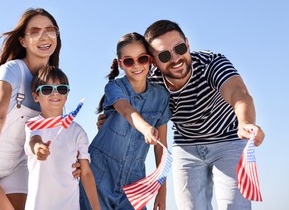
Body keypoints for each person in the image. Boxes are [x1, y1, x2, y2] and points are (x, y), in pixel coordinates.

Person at [0, 8, 80, 210]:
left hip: (17, 166)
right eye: (35, 31)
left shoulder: (54, 84)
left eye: (50, 30)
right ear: (23, 41)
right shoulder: (12, 70)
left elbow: (54, 135)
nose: (44, 36)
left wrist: (74, 162)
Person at [143, 19, 266, 209]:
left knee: (235, 206)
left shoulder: (211, 63)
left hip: (228, 139)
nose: (176, 59)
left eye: (180, 48)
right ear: (153, 61)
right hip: (186, 146)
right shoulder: (152, 82)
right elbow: (128, 103)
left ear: (188, 44)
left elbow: (238, 93)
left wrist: (245, 122)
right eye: (165, 56)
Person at [80, 32, 172, 210]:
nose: (136, 65)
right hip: (100, 173)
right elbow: (126, 110)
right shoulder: (114, 87)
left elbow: (162, 147)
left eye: (142, 59)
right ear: (121, 64)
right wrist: (146, 128)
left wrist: (162, 190)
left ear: (150, 60)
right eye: (129, 61)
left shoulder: (161, 96)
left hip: (135, 180)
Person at [24, 66, 100, 210]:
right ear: (35, 96)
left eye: (61, 89)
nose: (55, 93)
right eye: (47, 89)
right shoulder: (33, 124)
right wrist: (38, 148)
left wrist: (97, 208)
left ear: (66, 95)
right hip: (38, 205)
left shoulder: (78, 132)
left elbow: (86, 173)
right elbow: (34, 140)